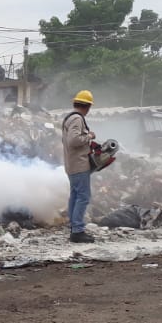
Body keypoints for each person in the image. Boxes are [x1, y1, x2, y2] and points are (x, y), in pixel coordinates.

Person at [62, 90, 96, 244]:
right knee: (83, 197)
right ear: (87, 106)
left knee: (75, 197)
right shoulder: (77, 119)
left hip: (71, 164)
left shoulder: (69, 118)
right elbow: (74, 141)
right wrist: (89, 136)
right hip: (79, 164)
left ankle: (74, 228)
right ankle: (77, 231)